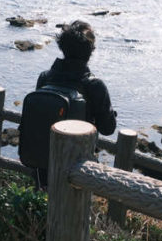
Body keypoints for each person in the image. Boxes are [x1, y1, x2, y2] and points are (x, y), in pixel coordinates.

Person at [32, 20, 117, 187]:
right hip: (78, 168)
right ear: (90, 51)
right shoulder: (94, 85)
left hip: (44, 162)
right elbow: (108, 128)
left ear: (62, 48)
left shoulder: (45, 77)